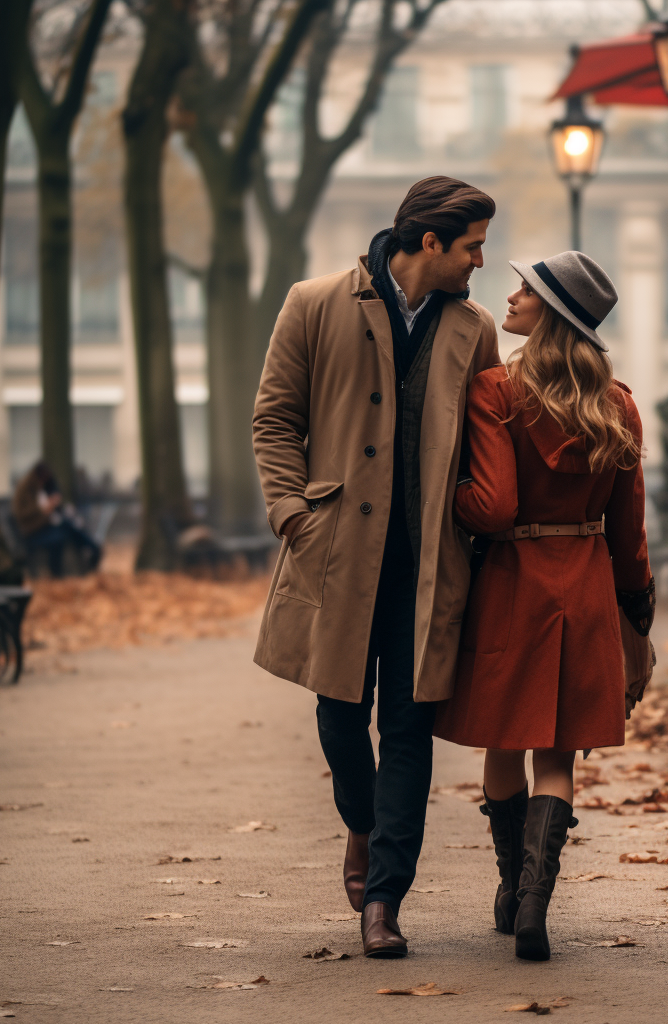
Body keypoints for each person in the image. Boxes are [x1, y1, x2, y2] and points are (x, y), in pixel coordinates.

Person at [252, 177, 500, 958]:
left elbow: (489, 449)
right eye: (472, 247)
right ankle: (359, 824)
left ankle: (384, 901)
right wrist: (292, 514)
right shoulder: (314, 302)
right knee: (337, 717)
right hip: (335, 557)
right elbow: (274, 418)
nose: (480, 262)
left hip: (431, 566)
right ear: (431, 243)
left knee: (409, 730)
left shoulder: (475, 329)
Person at [434, 252, 655, 961]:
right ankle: (536, 903)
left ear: (553, 311)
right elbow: (629, 531)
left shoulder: (496, 391)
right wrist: (638, 617)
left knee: (505, 742)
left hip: (512, 585)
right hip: (585, 586)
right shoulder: (615, 403)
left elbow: (493, 506)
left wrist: (448, 502)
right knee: (557, 756)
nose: (513, 295)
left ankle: (509, 886)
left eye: (527, 288)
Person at [11, 460, 101, 577]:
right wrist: (45, 508)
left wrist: (54, 507)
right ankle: (57, 572)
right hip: (32, 532)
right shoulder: (26, 488)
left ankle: (92, 550)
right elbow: (22, 513)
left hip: (43, 525)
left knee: (67, 525)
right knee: (60, 535)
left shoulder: (40, 487)